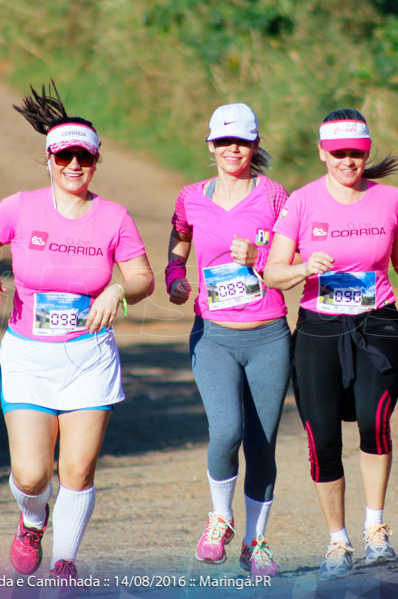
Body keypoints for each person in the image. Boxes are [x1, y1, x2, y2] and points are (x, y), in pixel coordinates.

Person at [0, 83, 154, 581]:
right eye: (64, 155)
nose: (73, 165)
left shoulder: (114, 218)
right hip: (28, 356)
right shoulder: (20, 208)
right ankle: (31, 518)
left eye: (83, 157)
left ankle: (65, 564)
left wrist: (118, 292)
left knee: (77, 471)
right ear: (48, 157)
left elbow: (143, 276)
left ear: (95, 161)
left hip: (89, 357)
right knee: (31, 474)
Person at [264, 109, 398, 580]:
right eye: (339, 153)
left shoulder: (389, 199)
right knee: (323, 438)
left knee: (375, 423)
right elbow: (272, 273)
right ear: (323, 153)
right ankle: (337, 541)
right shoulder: (301, 202)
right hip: (319, 330)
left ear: (366, 152)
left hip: (377, 324)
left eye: (356, 153)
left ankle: (375, 532)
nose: (348, 161)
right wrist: (306, 268)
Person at [165, 103, 291, 578]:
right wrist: (175, 276)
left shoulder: (275, 195)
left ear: (255, 145)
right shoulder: (190, 197)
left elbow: (290, 254)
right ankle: (220, 518)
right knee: (226, 431)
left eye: (240, 141)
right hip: (214, 336)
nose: (231, 150)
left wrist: (260, 255)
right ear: (210, 146)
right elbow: (178, 240)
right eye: (222, 142)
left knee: (262, 443)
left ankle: (256, 544)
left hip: (268, 336)